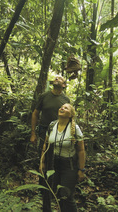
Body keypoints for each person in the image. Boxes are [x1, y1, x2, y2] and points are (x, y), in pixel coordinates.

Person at [31, 75, 70, 211]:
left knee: (56, 160)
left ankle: (54, 188)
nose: (57, 79)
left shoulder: (65, 100)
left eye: (60, 78)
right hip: (43, 131)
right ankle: (43, 189)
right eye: (56, 78)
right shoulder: (44, 96)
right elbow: (35, 113)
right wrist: (33, 133)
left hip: (59, 134)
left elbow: (69, 118)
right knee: (43, 159)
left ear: (64, 85)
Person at [39, 103, 86, 212]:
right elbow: (45, 145)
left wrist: (81, 169)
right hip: (54, 163)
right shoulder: (52, 125)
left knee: (66, 196)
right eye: (61, 107)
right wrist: (42, 162)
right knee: (58, 194)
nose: (62, 108)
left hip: (69, 165)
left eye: (66, 108)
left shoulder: (75, 128)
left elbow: (81, 150)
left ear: (71, 114)